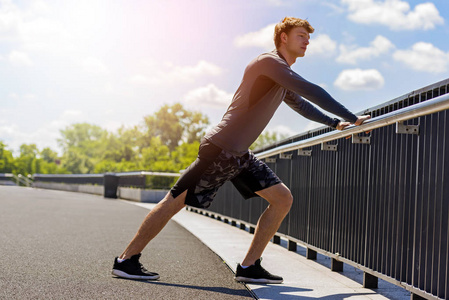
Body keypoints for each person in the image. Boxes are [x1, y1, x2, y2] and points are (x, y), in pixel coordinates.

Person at [112, 17, 371, 284]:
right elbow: (311, 90)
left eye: (308, 37)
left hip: (239, 155)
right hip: (220, 148)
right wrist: (352, 117)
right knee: (174, 201)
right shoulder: (268, 63)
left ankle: (249, 266)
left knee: (282, 199)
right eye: (301, 35)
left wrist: (335, 122)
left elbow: (302, 104)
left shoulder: (282, 77)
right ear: (283, 37)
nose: (307, 41)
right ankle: (126, 260)